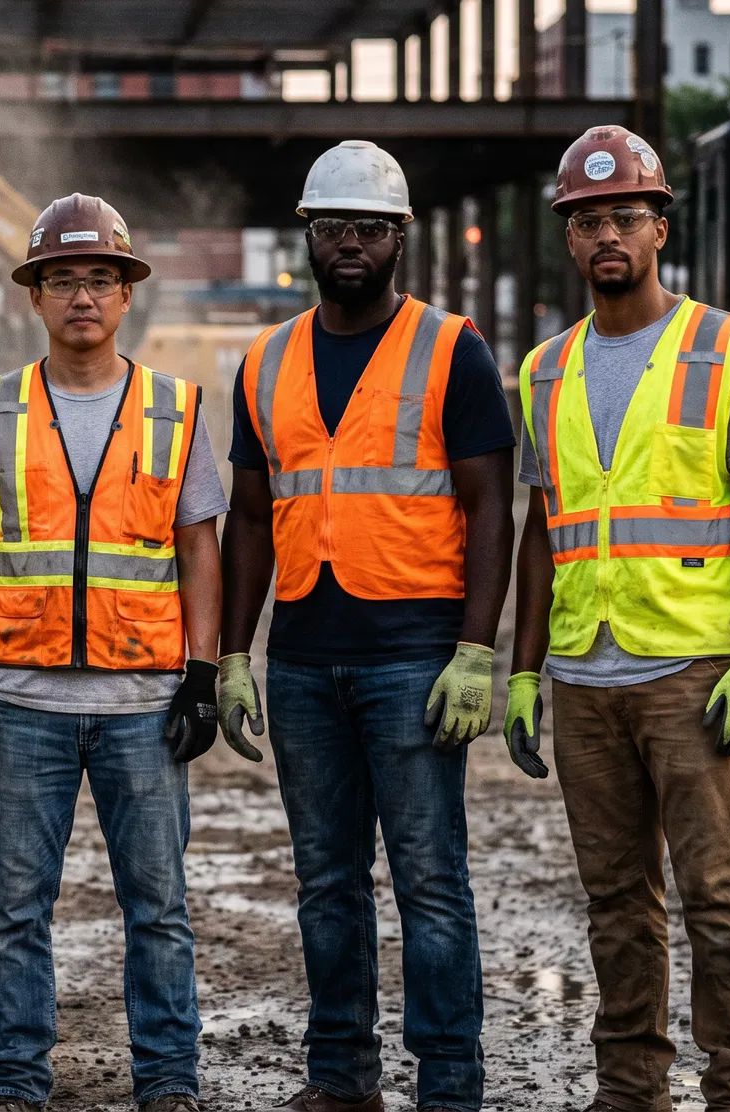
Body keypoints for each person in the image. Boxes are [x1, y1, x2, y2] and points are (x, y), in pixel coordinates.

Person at [218, 141, 516, 1112]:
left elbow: (491, 505)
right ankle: (340, 1074)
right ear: (309, 236)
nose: (351, 245)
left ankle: (449, 1083)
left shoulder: (451, 349)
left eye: (370, 229)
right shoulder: (264, 362)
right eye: (333, 227)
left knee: (431, 880)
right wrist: (232, 651)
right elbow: (252, 519)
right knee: (326, 884)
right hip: (304, 659)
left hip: (414, 661)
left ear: (400, 241)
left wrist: (480, 648)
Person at [506, 125, 730, 1112]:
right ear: (570, 239)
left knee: (718, 901)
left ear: (658, 226)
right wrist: (522, 669)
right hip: (587, 677)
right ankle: (631, 1090)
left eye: (624, 214)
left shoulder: (725, 347)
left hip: (694, 674)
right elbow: (541, 530)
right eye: (587, 221)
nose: (606, 235)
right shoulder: (546, 370)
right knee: (618, 906)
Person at [0, 193, 226, 1112]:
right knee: (17, 913)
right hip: (24, 702)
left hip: (144, 704)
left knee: (161, 913)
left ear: (127, 293)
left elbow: (199, 547)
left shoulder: (175, 409)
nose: (83, 296)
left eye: (101, 278)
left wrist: (204, 674)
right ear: (36, 296)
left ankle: (168, 1082)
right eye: (64, 280)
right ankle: (16, 1082)